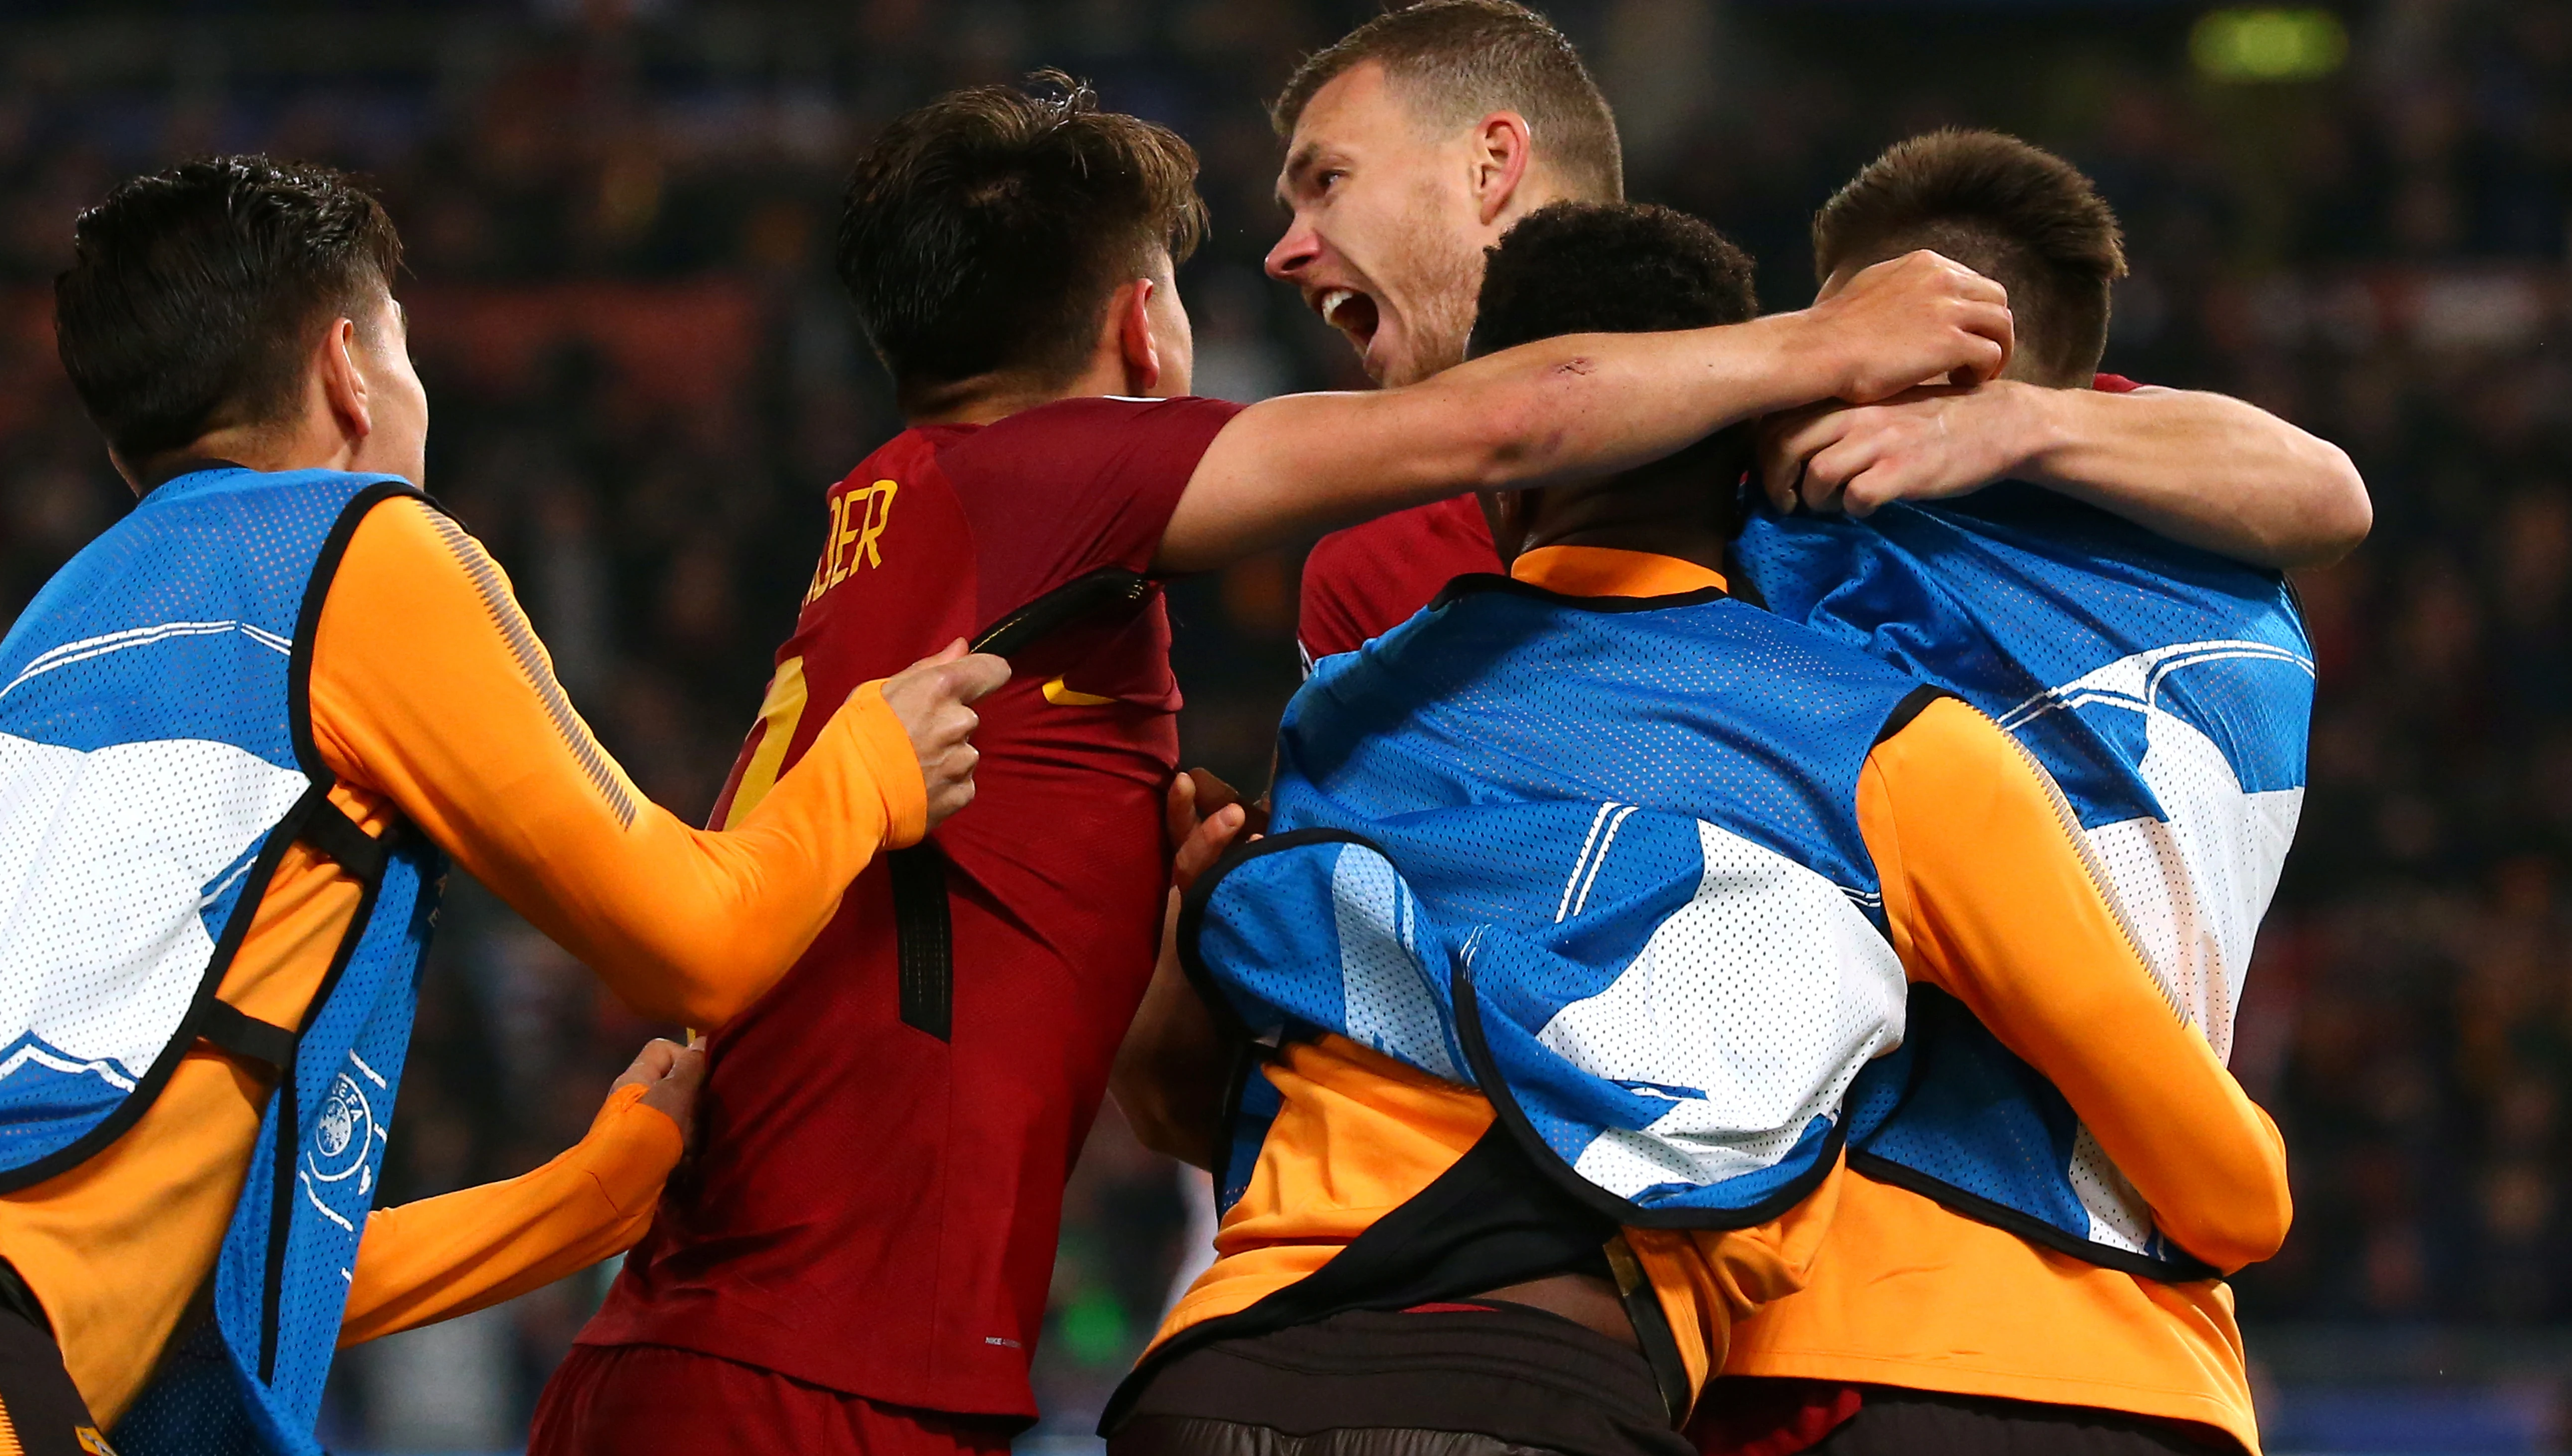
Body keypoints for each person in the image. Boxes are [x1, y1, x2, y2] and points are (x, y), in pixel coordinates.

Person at [534, 77, 2015, 1456]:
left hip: (707, 1345)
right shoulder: (1055, 468)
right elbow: (1493, 419)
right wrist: (1818, 344)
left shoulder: (891, 513)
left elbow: (1105, 1056)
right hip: (818, 1370)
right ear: (1144, 329)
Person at [1102, 202, 2287, 1456]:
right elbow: (2235, 1198)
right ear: (1754, 463)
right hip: (1536, 1390)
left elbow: (1192, 1111)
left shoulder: (1342, 712)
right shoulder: (1891, 750)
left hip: (1211, 1382)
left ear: (1495, 475)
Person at [0, 155, 1000, 1454]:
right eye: (409, 356)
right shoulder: (360, 551)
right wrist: (871, 768)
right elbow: (697, 941)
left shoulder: (33, 649)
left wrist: (581, 1200)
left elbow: (218, 1281)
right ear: (350, 370)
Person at [1693, 130, 2328, 1456]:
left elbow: (1569, 404)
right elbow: (2333, 489)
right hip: (2171, 1379)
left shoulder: (1815, 549)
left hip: (1862, 1340)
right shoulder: (2245, 604)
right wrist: (2027, 417)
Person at [1273, 0, 2368, 672]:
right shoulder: (1367, 570)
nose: (1287, 247)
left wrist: (2018, 420)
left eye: (1330, 181)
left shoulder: (1831, 435)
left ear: (1491, 165)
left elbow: (2324, 495)